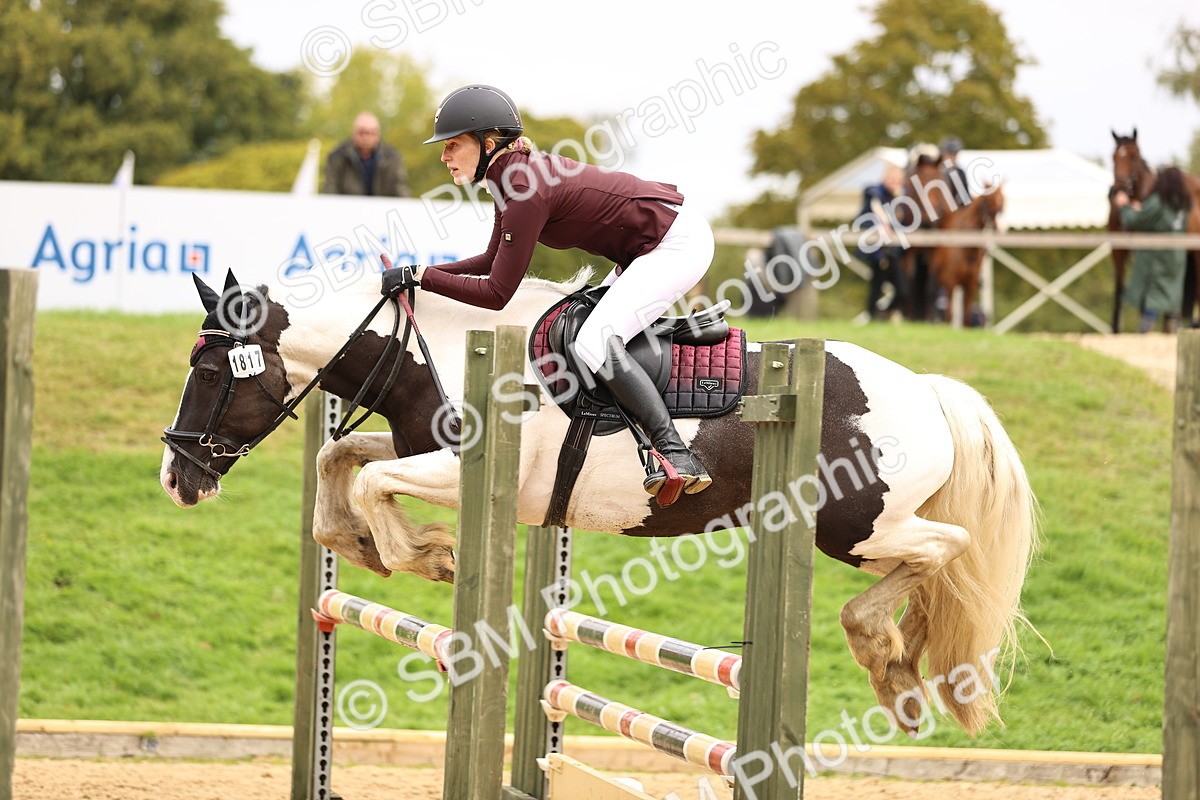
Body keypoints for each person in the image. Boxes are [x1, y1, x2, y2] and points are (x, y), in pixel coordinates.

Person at [381, 85, 712, 498]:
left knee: (594, 342)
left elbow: (497, 292)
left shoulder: (522, 186)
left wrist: (420, 277)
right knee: (580, 327)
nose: (444, 156)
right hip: (645, 247)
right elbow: (488, 261)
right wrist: (419, 273)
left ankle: (674, 452)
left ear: (488, 143)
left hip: (675, 243)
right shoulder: (510, 177)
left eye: (453, 145)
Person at [1113, 166, 1193, 333]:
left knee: (1153, 295)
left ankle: (1145, 331)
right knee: (1173, 293)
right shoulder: (1183, 203)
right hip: (1177, 256)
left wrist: (1124, 207)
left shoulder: (1158, 200)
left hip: (1158, 257)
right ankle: (1173, 328)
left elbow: (1136, 221)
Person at [854, 164, 908, 323]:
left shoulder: (902, 199)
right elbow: (863, 219)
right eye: (891, 179)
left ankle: (877, 313)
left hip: (893, 251)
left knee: (901, 290)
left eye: (898, 180)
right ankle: (872, 314)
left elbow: (903, 223)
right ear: (884, 179)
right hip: (878, 251)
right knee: (877, 286)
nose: (894, 183)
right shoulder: (874, 195)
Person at [322, 111, 410, 197]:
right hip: (347, 208)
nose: (366, 137)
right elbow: (330, 189)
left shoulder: (391, 158)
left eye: (371, 132)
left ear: (378, 134)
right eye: (362, 132)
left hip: (382, 209)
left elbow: (399, 188)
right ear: (354, 133)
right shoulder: (338, 157)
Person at [939, 136, 971, 208]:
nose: (953, 157)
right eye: (950, 154)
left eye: (955, 154)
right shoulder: (936, 171)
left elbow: (965, 199)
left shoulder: (959, 172)